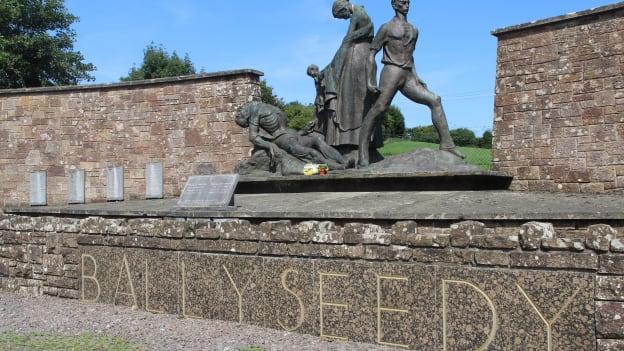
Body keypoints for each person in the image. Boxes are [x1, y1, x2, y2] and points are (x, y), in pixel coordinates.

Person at [358, 0, 464, 167]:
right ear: (394, 5)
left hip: (407, 74)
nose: (406, 5)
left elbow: (410, 54)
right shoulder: (386, 27)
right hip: (391, 71)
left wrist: (416, 75)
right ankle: (363, 154)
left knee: (435, 100)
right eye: (402, 2)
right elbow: (372, 54)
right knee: (379, 108)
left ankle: (447, 145)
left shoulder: (414, 30)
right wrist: (370, 79)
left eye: (408, 2)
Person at [309, 0, 380, 151]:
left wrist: (330, 67)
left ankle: (352, 139)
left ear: (343, 9)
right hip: (364, 56)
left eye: (341, 16)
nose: (343, 18)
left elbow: (347, 41)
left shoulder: (357, 15)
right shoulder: (361, 12)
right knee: (358, 97)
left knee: (350, 97)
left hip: (356, 58)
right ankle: (362, 139)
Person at [235, 101, 347, 172]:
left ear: (242, 115)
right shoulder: (255, 110)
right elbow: (253, 137)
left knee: (317, 141)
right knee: (311, 152)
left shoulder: (257, 106)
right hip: (282, 139)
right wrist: (269, 145)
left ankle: (343, 162)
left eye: (244, 123)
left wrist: (302, 131)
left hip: (291, 134)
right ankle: (336, 167)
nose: (247, 125)